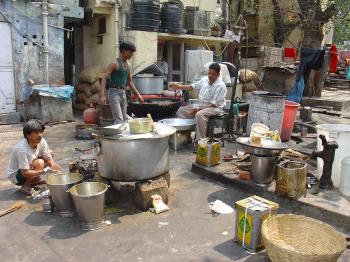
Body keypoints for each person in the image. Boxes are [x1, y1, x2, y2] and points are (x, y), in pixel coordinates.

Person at [170, 63, 227, 139]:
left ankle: (200, 141)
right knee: (181, 110)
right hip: (202, 105)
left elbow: (213, 104)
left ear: (218, 74)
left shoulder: (220, 86)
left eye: (213, 74)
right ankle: (186, 135)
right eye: (209, 73)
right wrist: (179, 86)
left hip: (215, 108)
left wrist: (197, 109)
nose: (210, 75)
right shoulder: (205, 80)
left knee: (199, 114)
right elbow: (192, 87)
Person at [7, 119, 62, 195]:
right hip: (17, 176)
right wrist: (44, 171)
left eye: (41, 132)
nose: (40, 135)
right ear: (27, 135)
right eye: (36, 132)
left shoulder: (41, 141)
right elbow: (24, 173)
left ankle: (36, 179)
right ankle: (26, 185)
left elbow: (48, 157)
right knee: (39, 162)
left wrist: (53, 167)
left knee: (50, 153)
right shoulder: (22, 149)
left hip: (28, 166)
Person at [99, 41, 144, 124]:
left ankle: (123, 135)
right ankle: (117, 136)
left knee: (124, 119)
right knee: (119, 120)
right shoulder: (114, 64)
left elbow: (130, 82)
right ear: (123, 51)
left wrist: (138, 94)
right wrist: (102, 96)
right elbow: (104, 78)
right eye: (130, 52)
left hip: (123, 93)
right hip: (114, 93)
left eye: (132, 53)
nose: (131, 55)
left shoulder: (128, 65)